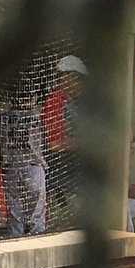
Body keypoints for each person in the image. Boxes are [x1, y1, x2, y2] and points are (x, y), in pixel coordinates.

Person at [0, 83, 47, 237]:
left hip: (11, 167)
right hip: (33, 166)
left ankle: (15, 237)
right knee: (36, 209)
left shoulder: (3, 118)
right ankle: (38, 238)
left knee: (15, 208)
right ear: (31, 98)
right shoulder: (38, 115)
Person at [41, 54, 87, 216]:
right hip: (60, 185)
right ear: (65, 77)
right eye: (78, 79)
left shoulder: (71, 103)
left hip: (73, 180)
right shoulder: (55, 102)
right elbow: (55, 143)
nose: (81, 85)